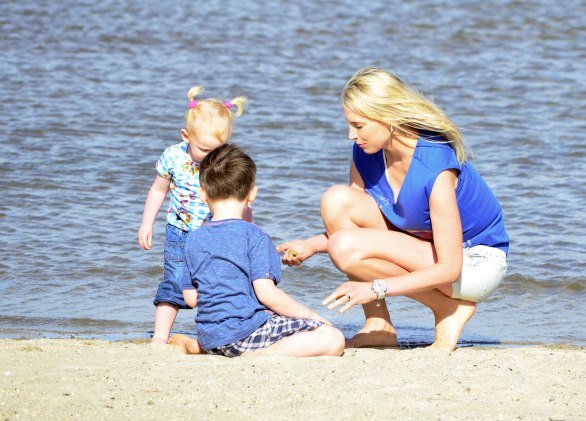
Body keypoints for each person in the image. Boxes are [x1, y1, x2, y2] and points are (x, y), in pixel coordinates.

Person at [277, 67, 509, 351]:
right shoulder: (367, 153)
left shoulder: (434, 166)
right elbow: (350, 229)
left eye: (359, 126)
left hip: (474, 263)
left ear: (388, 118)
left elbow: (449, 268)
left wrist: (374, 287)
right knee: (336, 200)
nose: (351, 135)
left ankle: (448, 310)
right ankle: (379, 325)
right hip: (426, 250)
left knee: (343, 247)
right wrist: (311, 245)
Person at [168, 144, 345, 357]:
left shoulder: (193, 239)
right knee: (332, 338)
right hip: (245, 334)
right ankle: (262, 354)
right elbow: (267, 294)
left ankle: (198, 345)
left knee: (274, 324)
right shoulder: (254, 236)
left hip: (211, 335)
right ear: (252, 194)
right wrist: (313, 318)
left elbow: (191, 298)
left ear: (202, 194)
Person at [138, 86, 252, 345]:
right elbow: (157, 190)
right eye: (204, 149)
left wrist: (245, 227)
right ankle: (159, 336)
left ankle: (217, 329)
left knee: (217, 280)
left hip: (216, 232)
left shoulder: (224, 163)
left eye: (218, 149)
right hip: (180, 232)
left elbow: (239, 198)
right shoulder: (173, 158)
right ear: (185, 136)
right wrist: (147, 224)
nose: (212, 157)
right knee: (175, 279)